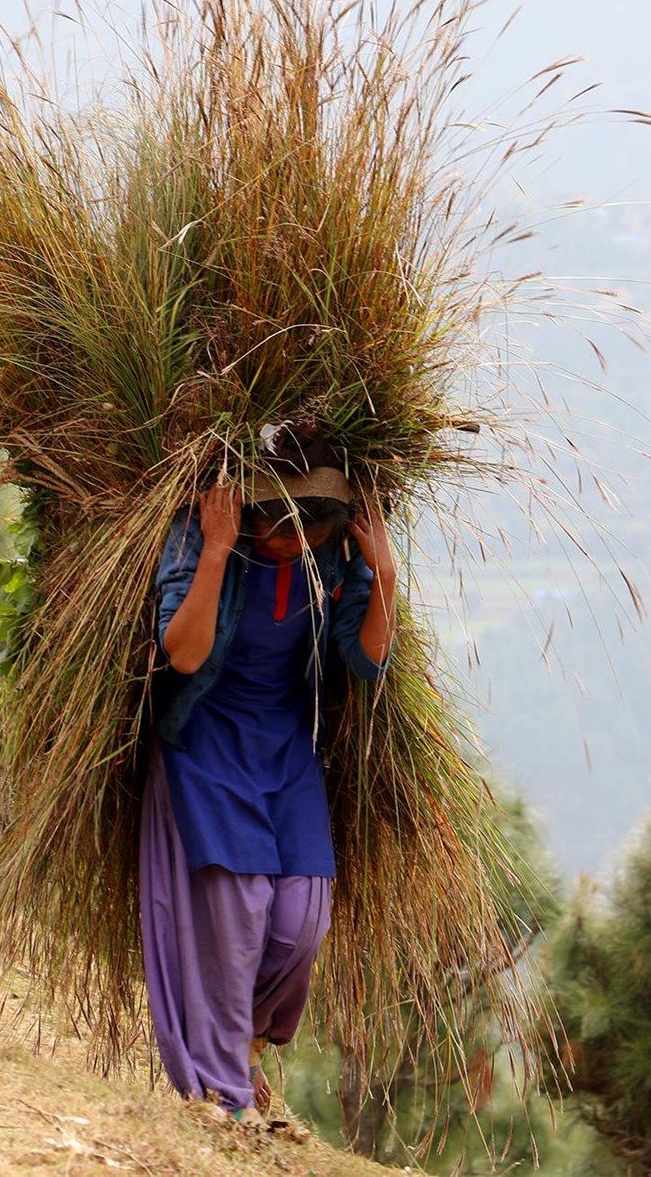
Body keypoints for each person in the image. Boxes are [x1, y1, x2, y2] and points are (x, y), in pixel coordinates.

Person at [140, 432, 397, 1120]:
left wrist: (387, 579)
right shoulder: (199, 538)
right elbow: (185, 657)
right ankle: (224, 1097)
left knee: (299, 925)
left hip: (286, 751)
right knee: (239, 915)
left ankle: (242, 1042)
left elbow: (367, 661)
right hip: (207, 741)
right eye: (274, 525)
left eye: (304, 527)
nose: (288, 540)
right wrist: (219, 551)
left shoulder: (334, 563)